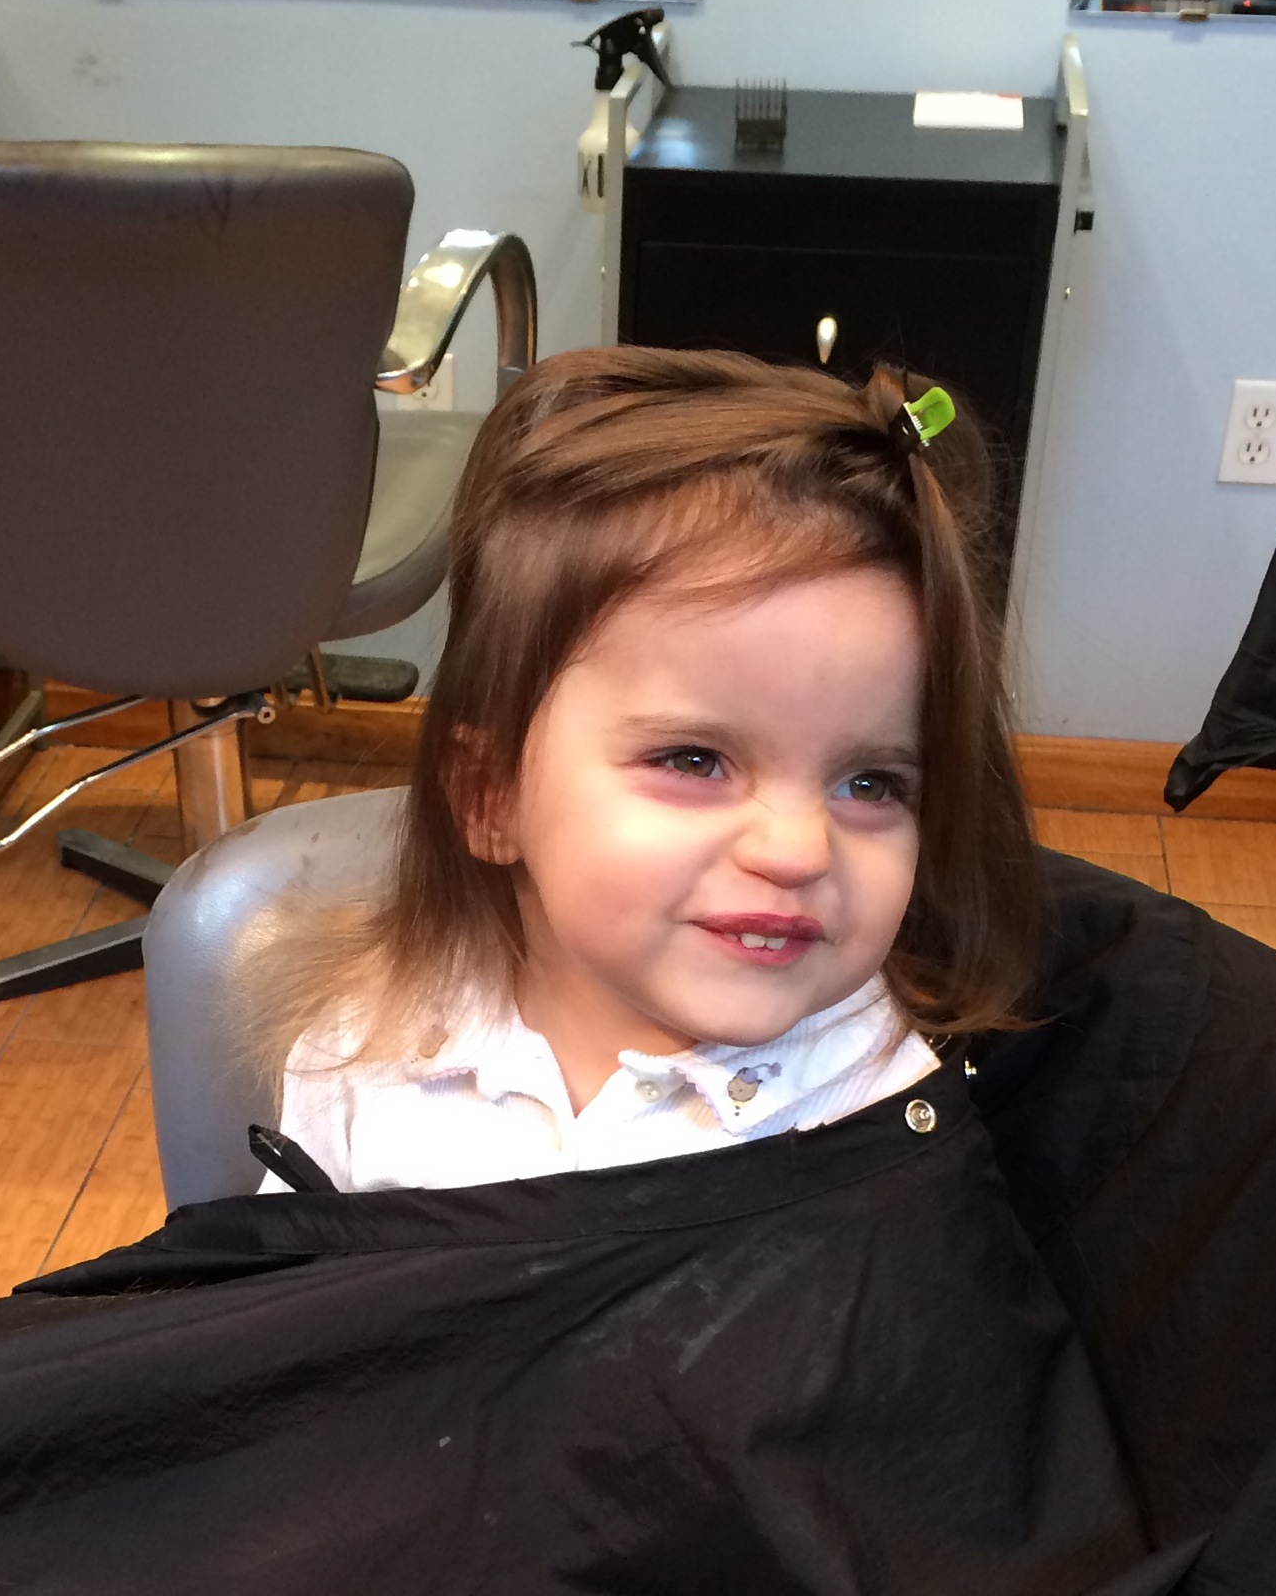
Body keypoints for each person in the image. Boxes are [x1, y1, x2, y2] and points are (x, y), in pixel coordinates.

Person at [255, 344, 1042, 1193]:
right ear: (492, 796)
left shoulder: (892, 1121)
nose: (798, 851)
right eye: (695, 761)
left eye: (870, 784)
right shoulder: (366, 1059)